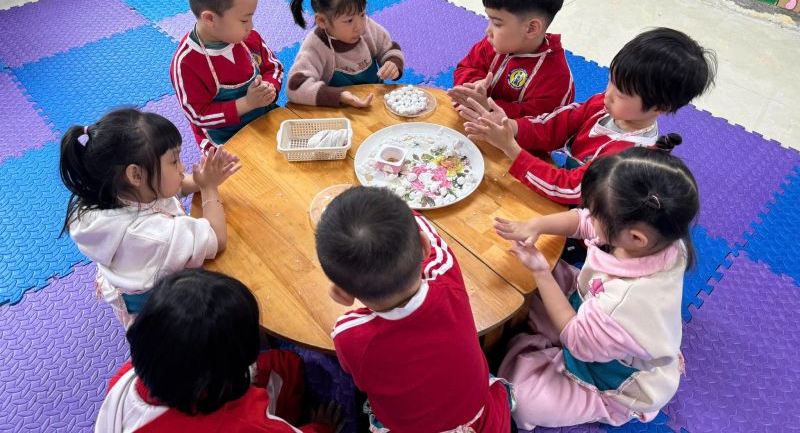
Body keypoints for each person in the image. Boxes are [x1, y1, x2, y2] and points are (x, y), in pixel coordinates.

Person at [494, 147, 699, 429]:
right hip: (597, 311)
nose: (590, 217)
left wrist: (541, 272)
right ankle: (538, 338)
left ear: (635, 238)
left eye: (597, 215)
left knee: (525, 400)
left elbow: (576, 339)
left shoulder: (627, 301)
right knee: (528, 278)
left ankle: (591, 396)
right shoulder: (663, 236)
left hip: (612, 377)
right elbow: (583, 221)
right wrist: (536, 225)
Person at [315, 187, 515, 433]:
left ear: (343, 295)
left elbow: (355, 374)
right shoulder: (447, 277)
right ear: (424, 246)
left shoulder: (349, 335)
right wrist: (384, 212)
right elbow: (426, 231)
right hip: (481, 420)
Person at [462, 27, 716, 205]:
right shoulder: (605, 105)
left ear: (660, 107)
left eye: (622, 93)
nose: (608, 94)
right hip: (567, 183)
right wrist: (511, 127)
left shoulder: (629, 159)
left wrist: (511, 149)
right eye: (611, 80)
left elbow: (570, 189)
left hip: (588, 214)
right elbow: (555, 125)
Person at [95, 269, 341, 432]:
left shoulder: (126, 377)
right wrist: (321, 427)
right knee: (288, 365)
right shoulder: (243, 423)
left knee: (280, 364)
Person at [60, 108, 240, 327]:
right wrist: (209, 187)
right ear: (136, 174)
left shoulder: (114, 191)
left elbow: (175, 187)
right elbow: (216, 238)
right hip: (163, 311)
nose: (182, 167)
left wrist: (201, 180)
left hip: (131, 277)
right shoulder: (151, 235)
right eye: (174, 161)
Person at [170, 0, 284, 153]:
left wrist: (269, 87)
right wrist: (246, 103)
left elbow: (273, 67)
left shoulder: (249, 37)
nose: (251, 26)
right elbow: (198, 115)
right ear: (210, 18)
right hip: (222, 138)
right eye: (244, 20)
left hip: (264, 117)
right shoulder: (186, 63)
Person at [449, 0, 574, 119]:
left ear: (531, 28)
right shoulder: (492, 44)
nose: (488, 31)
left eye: (497, 23)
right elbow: (467, 66)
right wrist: (474, 85)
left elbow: (540, 125)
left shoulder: (556, 80)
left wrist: (489, 107)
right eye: (489, 19)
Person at [285, 0, 404, 108]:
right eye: (349, 20)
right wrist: (339, 96)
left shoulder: (368, 28)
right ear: (322, 21)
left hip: (375, 102)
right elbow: (295, 87)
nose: (359, 26)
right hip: (340, 110)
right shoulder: (316, 46)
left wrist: (392, 63)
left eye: (362, 14)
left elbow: (389, 48)